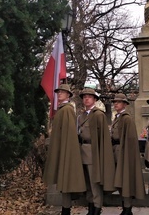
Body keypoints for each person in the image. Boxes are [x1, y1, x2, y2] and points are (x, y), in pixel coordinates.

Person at [43, 84, 86, 215]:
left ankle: (66, 210)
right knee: (63, 180)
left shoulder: (67, 110)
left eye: (62, 92)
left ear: (68, 95)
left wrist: (66, 151)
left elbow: (69, 134)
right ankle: (65, 208)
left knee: (66, 179)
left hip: (65, 150)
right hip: (61, 149)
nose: (59, 94)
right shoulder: (62, 109)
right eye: (58, 92)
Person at [78, 88, 116, 215]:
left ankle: (97, 207)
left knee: (95, 183)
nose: (86, 99)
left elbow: (103, 137)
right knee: (87, 183)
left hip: (93, 153)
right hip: (82, 152)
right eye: (84, 97)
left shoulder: (99, 115)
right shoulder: (81, 116)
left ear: (94, 99)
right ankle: (90, 207)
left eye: (89, 97)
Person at [110, 93, 145, 215]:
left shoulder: (126, 118)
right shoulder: (118, 117)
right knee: (120, 181)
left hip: (123, 153)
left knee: (125, 181)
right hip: (116, 151)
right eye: (115, 102)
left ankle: (127, 208)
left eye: (118, 102)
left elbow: (130, 140)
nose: (116, 104)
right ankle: (125, 206)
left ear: (124, 104)